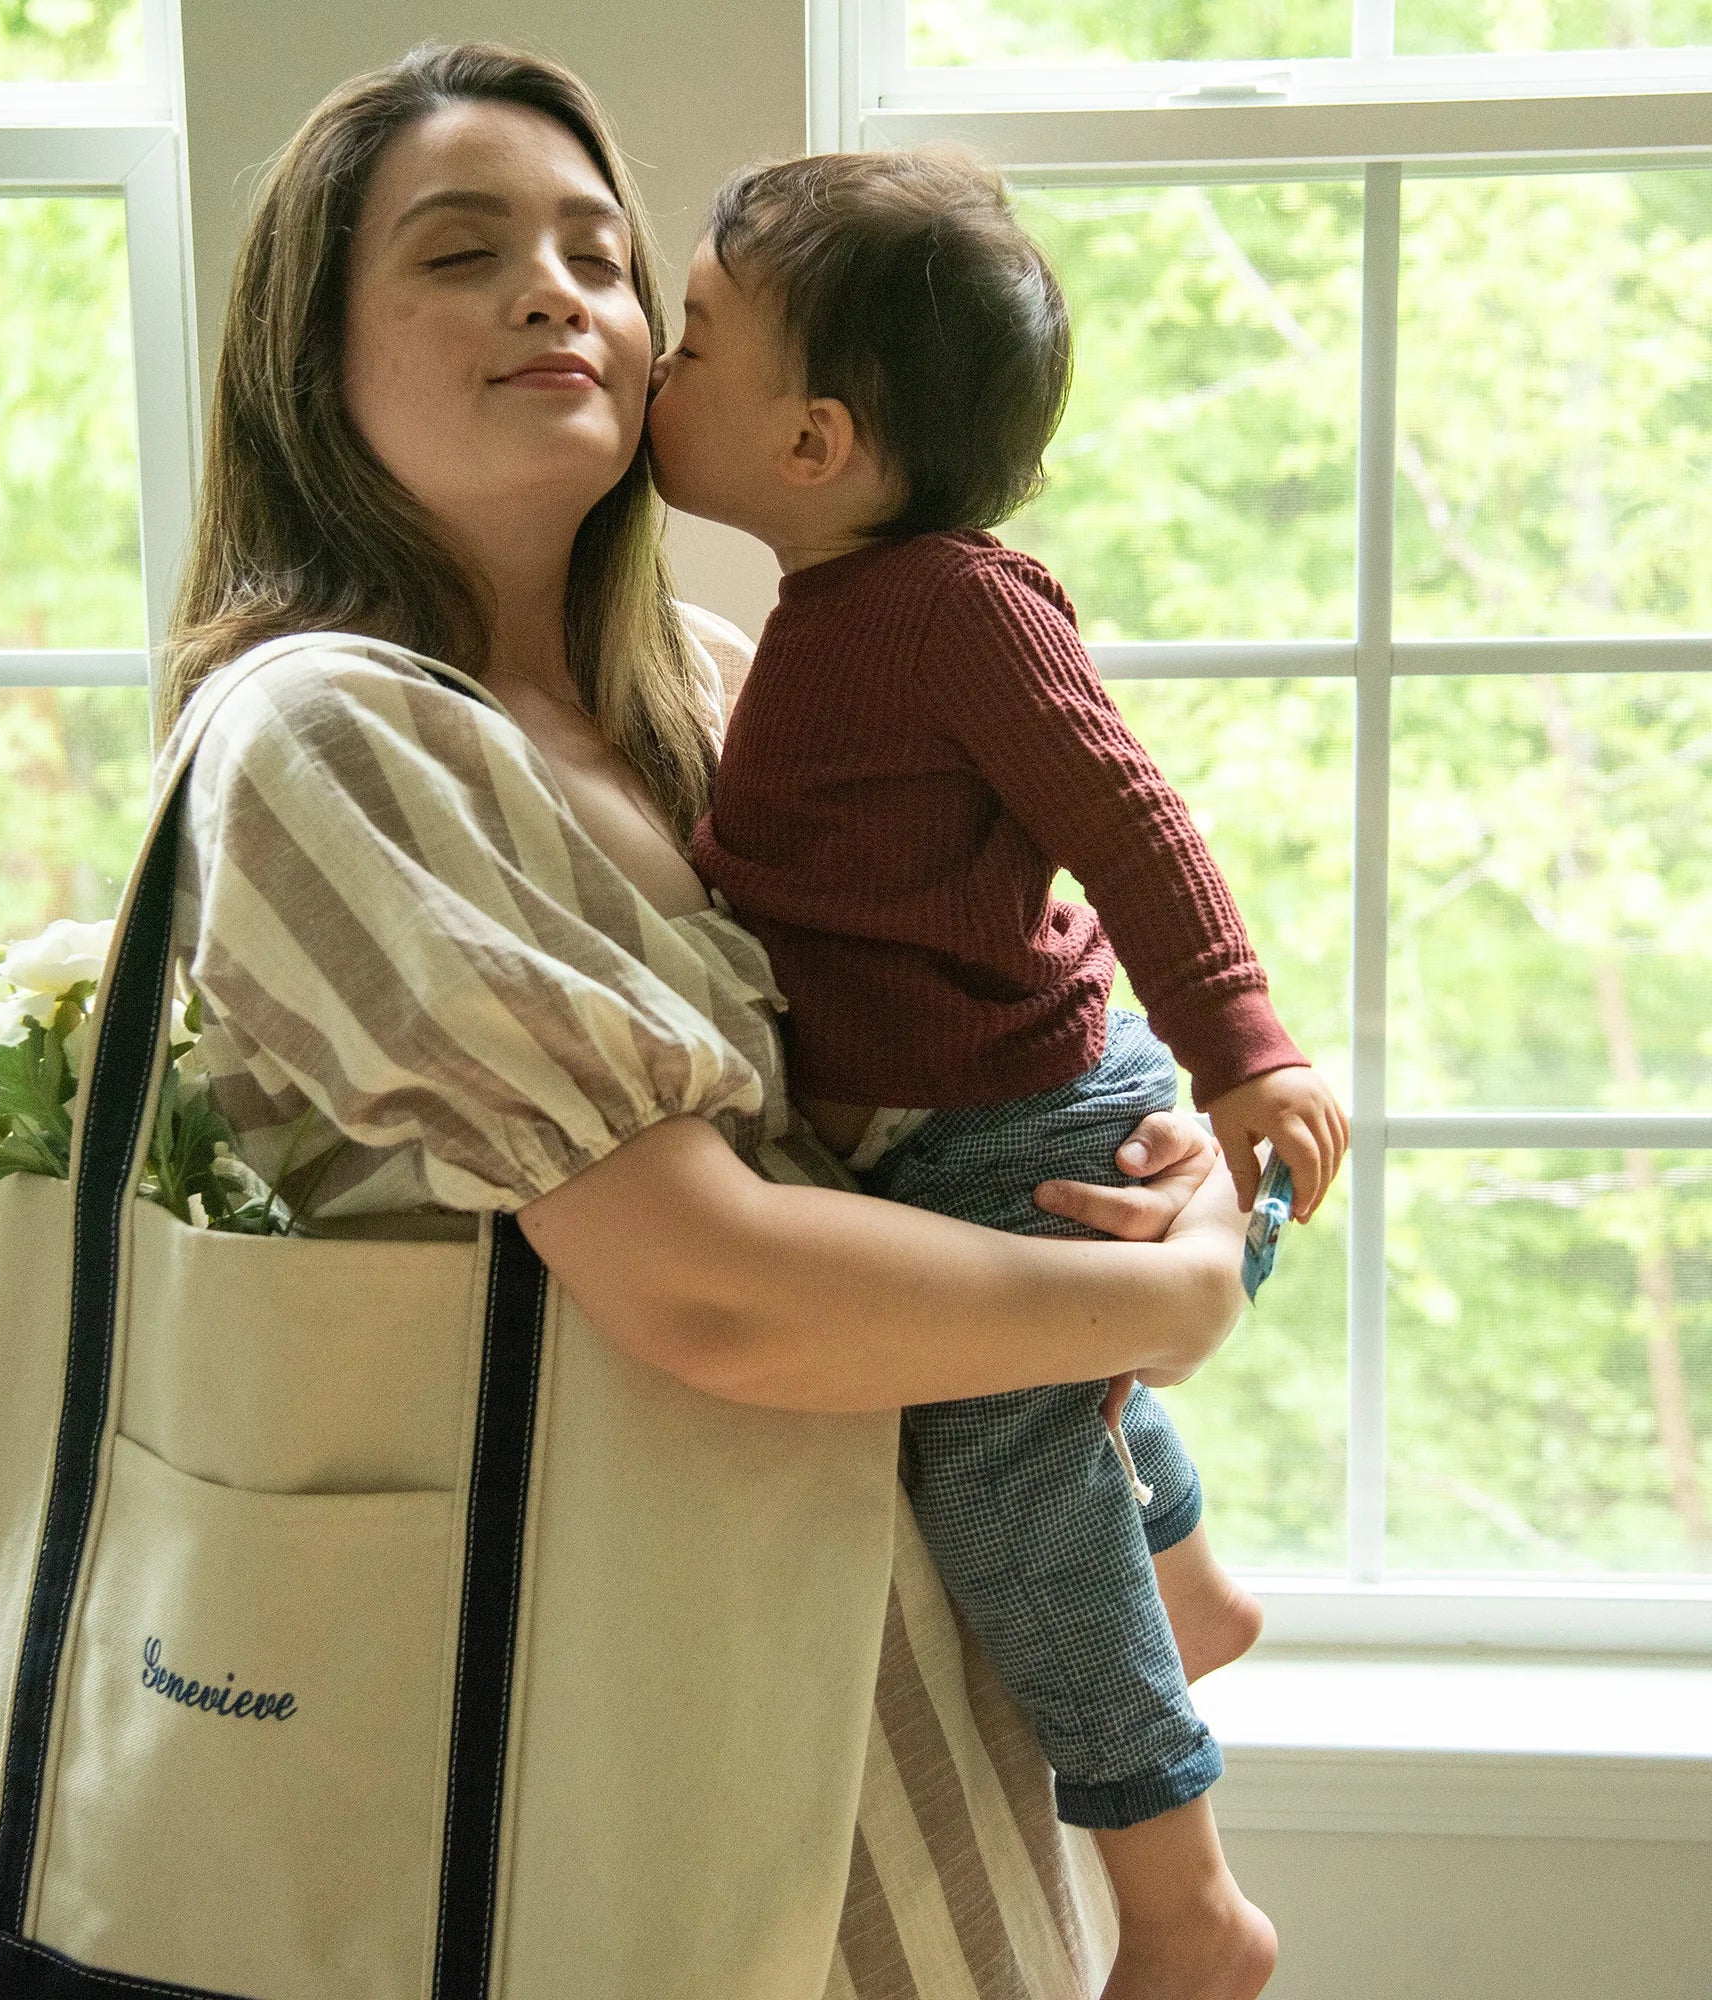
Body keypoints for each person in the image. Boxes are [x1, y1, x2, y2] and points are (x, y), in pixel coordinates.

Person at [161, 44, 1253, 2000]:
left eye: (602, 256)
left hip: (935, 1769)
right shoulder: (324, 733)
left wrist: (1141, 1156)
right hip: (620, 1790)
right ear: (304, 355)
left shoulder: (719, 687)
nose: (556, 290)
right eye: (461, 250)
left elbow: (959, 1010)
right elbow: (715, 1292)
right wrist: (1162, 1300)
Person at [642, 147, 1339, 1998]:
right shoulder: (816, 608)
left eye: (692, 334)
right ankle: (1191, 1594)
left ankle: (1190, 1910)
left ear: (814, 442)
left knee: (995, 1462)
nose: (649, 355)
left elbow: (1130, 815)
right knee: (1037, 1407)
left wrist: (1247, 1050)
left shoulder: (953, 604)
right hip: (956, 1115)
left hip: (1015, 1122)